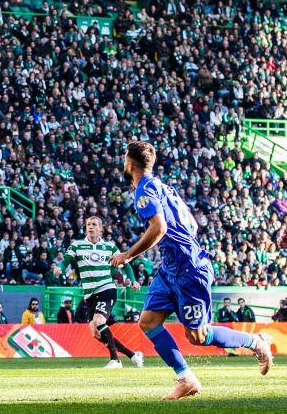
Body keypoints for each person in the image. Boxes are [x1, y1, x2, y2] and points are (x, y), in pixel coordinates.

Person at [111, 141, 273, 400]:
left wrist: (127, 255)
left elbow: (159, 228)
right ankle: (186, 379)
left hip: (189, 271)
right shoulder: (165, 188)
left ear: (130, 164)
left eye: (123, 159)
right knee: (148, 322)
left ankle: (256, 343)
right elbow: (193, 226)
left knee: (198, 336)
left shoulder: (144, 192)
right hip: (171, 269)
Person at [58, 216, 143, 369]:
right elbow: (66, 260)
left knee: (99, 322)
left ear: (100, 228)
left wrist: (133, 280)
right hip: (89, 295)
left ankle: (115, 360)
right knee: (95, 332)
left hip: (106, 289)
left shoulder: (110, 247)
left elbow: (125, 263)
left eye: (94, 224)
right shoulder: (77, 245)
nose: (91, 227)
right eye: (88, 224)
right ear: (85, 227)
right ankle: (133, 355)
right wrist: (60, 268)